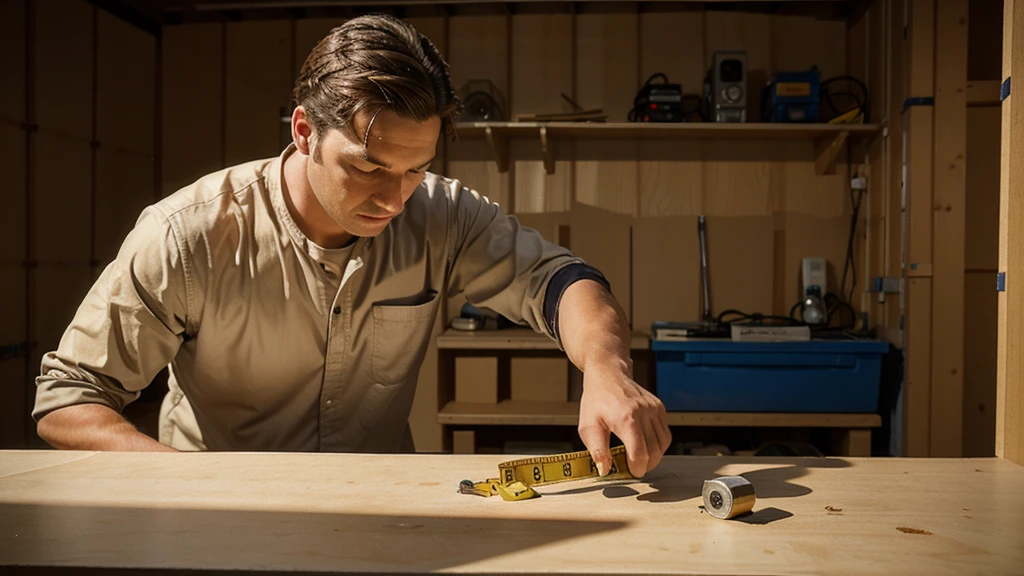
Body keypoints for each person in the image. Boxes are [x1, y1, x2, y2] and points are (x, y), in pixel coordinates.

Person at [32, 13, 671, 478]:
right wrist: (191, 483)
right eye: (368, 168)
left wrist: (606, 369)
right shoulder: (188, 234)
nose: (396, 199)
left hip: (378, 508)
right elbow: (68, 400)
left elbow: (560, 281)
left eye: (415, 168)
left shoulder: (441, 214)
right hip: (212, 513)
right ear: (306, 131)